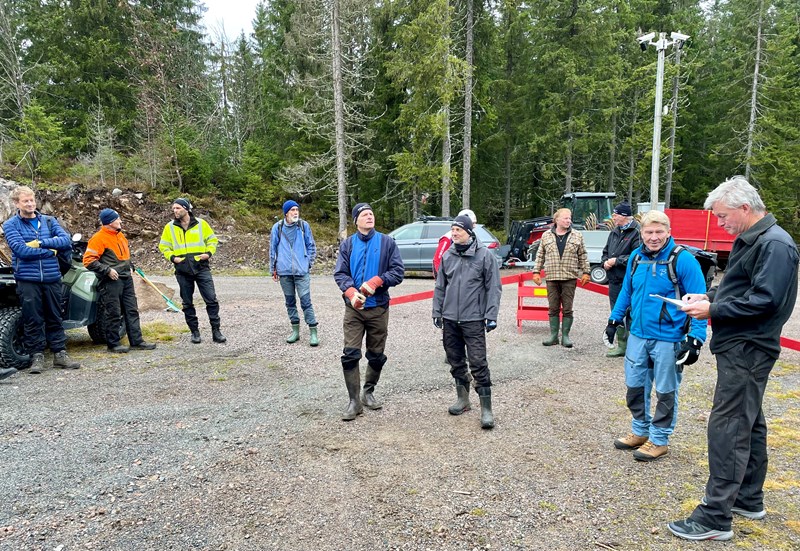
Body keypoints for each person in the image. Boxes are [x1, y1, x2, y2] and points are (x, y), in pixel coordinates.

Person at [668, 177, 799, 542]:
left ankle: (714, 517)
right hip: (739, 345)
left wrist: (713, 308)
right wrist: (706, 296)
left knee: (728, 427)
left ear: (745, 208)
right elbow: (738, 287)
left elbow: (766, 300)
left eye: (723, 216)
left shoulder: (775, 245)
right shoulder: (752, 239)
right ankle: (747, 497)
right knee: (749, 421)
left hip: (750, 347)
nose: (719, 223)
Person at [604, 210, 708, 462]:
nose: (653, 237)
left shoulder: (683, 260)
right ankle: (640, 431)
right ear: (641, 234)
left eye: (659, 232)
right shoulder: (636, 258)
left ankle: (659, 439)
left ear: (668, 232)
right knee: (635, 386)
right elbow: (627, 292)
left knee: (665, 390)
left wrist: (696, 338)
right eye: (648, 232)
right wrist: (614, 318)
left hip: (668, 338)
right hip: (638, 335)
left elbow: (700, 302)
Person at [333, 203, 404, 421]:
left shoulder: (387, 242)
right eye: (364, 214)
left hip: (379, 308)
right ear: (356, 220)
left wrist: (379, 280)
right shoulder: (348, 245)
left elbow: (398, 272)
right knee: (350, 354)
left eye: (371, 213)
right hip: (353, 309)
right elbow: (340, 274)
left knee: (376, 355)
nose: (369, 216)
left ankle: (368, 392)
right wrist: (351, 291)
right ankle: (354, 402)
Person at [432, 215, 502, 429]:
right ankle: (463, 400)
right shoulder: (448, 256)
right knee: (455, 361)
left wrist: (491, 315)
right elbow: (440, 286)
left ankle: (486, 410)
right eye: (452, 230)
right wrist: (437, 311)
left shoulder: (484, 256)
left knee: (479, 362)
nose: (454, 234)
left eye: (458, 230)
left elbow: (494, 288)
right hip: (450, 318)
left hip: (474, 318)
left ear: (469, 233)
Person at [2, 185, 80, 373]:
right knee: (33, 318)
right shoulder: (11, 225)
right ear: (16, 203)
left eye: (32, 200)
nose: (30, 204)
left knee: (55, 316)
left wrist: (41, 243)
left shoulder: (49, 221)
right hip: (28, 279)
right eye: (25, 201)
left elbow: (65, 241)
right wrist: (51, 251)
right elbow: (21, 250)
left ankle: (60, 354)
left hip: (52, 277)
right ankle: (36, 356)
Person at [83, 208, 157, 353]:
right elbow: (88, 260)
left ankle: (137, 341)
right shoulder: (98, 238)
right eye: (117, 219)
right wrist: (107, 270)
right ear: (110, 222)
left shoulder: (120, 235)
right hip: (111, 281)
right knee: (113, 312)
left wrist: (130, 266)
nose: (120, 221)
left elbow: (123, 257)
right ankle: (113, 344)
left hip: (126, 279)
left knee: (132, 310)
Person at [159, 198, 226, 344]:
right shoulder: (169, 227)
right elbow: (163, 246)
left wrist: (208, 254)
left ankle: (216, 331)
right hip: (182, 270)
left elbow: (212, 240)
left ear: (186, 208)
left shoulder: (201, 224)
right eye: (173, 208)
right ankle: (194, 332)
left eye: (177, 208)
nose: (174, 211)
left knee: (211, 300)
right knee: (187, 303)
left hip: (201, 268)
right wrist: (172, 258)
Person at [531, 208, 591, 348]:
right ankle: (553, 336)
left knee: (568, 308)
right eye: (565, 218)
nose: (568, 220)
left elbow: (583, 255)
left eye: (569, 218)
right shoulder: (546, 235)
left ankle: (565, 336)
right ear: (556, 219)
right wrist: (536, 272)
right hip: (552, 277)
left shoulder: (577, 235)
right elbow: (540, 255)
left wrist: (586, 272)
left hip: (569, 277)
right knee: (553, 308)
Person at [270, 200, 319, 346]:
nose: (295, 212)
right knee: (290, 302)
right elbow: (272, 249)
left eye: (297, 209)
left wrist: (308, 263)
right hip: (284, 271)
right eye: (292, 210)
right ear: (286, 213)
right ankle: (295, 331)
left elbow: (311, 246)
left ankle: (313, 332)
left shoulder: (304, 226)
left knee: (306, 302)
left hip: (301, 271)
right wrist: (273, 268)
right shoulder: (277, 228)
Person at [601, 202, 641, 357]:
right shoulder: (615, 231)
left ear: (624, 216)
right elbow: (606, 250)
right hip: (614, 280)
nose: (613, 217)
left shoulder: (636, 232)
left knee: (632, 313)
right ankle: (621, 346)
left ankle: (635, 347)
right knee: (616, 312)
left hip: (629, 281)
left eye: (616, 214)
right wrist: (604, 261)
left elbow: (637, 255)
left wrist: (616, 261)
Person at [432, 208, 477, 278]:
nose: (474, 226)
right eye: (472, 223)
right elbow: (438, 260)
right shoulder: (447, 239)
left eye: (475, 223)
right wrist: (442, 279)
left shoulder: (471, 238)